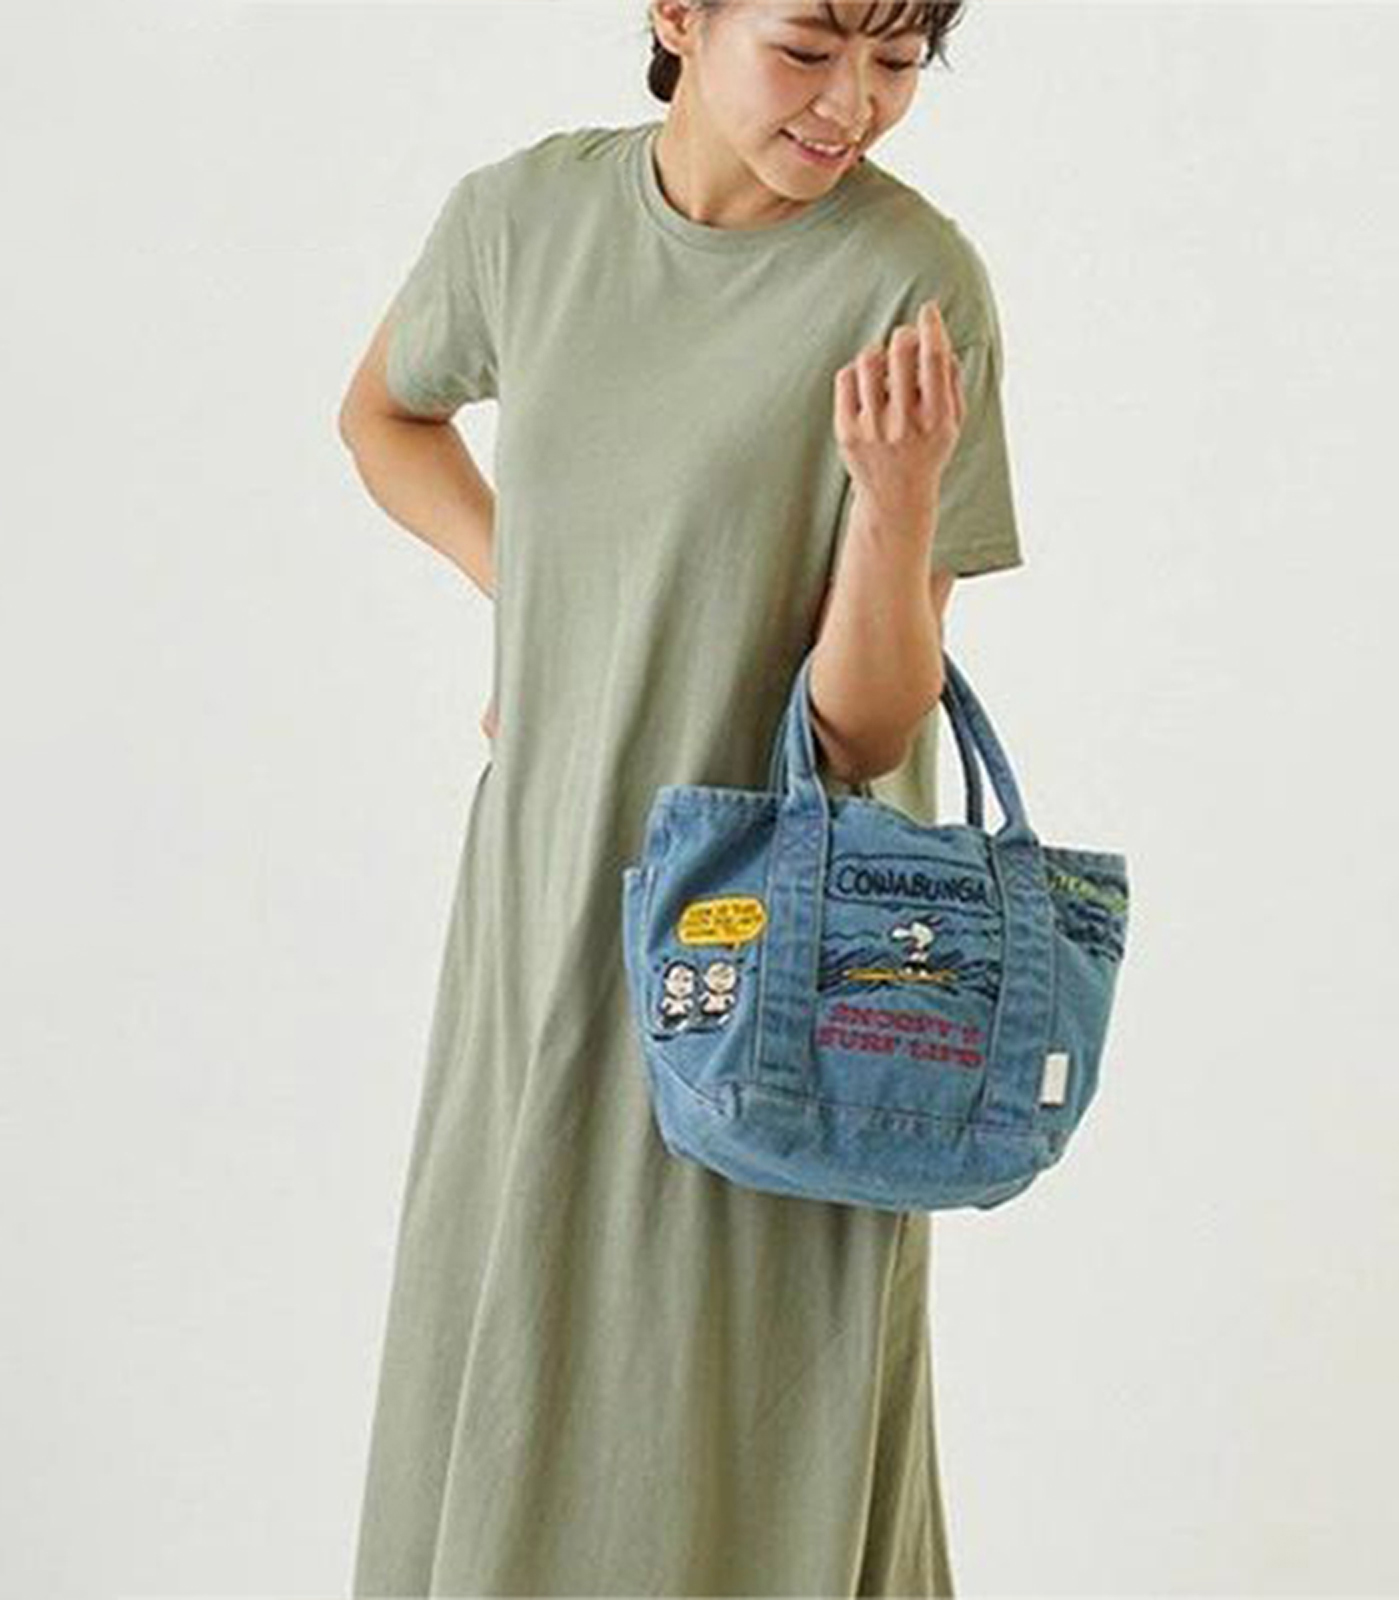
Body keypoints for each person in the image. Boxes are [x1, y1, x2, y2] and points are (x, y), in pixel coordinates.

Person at [336, 1, 1023, 1591]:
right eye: (810, 47)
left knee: (741, 1370)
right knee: (520, 1309)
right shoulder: (526, 219)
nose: (854, 102)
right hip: (550, 881)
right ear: (678, 15)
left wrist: (899, 504)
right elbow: (384, 413)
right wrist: (536, 602)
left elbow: (867, 726)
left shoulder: (913, 284)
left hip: (772, 934)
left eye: (899, 61)